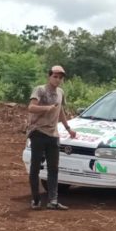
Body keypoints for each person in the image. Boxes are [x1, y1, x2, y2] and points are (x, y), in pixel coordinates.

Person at [27, 65, 77, 210]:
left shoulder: (60, 92)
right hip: (38, 132)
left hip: (53, 134)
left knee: (53, 168)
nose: (58, 80)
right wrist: (46, 108)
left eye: (60, 77)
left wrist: (68, 129)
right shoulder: (40, 90)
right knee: (35, 168)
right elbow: (31, 107)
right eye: (55, 76)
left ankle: (53, 201)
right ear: (49, 76)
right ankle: (36, 200)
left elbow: (60, 110)